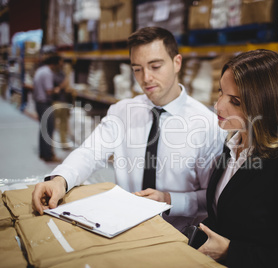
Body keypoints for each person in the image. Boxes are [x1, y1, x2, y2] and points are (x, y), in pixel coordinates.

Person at [32, 27, 225, 231]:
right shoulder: (122, 111)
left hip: (178, 234)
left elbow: (212, 197)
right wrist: (60, 180)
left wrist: (171, 200)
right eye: (137, 69)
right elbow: (90, 152)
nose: (146, 78)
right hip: (125, 227)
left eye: (155, 66)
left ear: (177, 63)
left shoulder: (207, 125)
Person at [197, 49, 278, 267]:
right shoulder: (232, 144)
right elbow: (224, 217)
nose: (218, 106)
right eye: (221, 92)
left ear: (264, 105)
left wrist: (231, 251)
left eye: (235, 101)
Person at [33, 54, 63, 162]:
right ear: (55, 63)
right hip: (44, 103)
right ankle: (48, 155)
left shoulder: (41, 70)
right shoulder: (48, 73)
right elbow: (49, 90)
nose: (61, 66)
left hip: (38, 102)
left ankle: (43, 153)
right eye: (60, 63)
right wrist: (59, 89)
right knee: (49, 129)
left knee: (43, 128)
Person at [52, 59, 73, 150]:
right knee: (55, 124)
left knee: (63, 124)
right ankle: (52, 144)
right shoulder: (55, 75)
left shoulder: (62, 74)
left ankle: (63, 143)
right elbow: (58, 88)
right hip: (57, 102)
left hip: (63, 102)